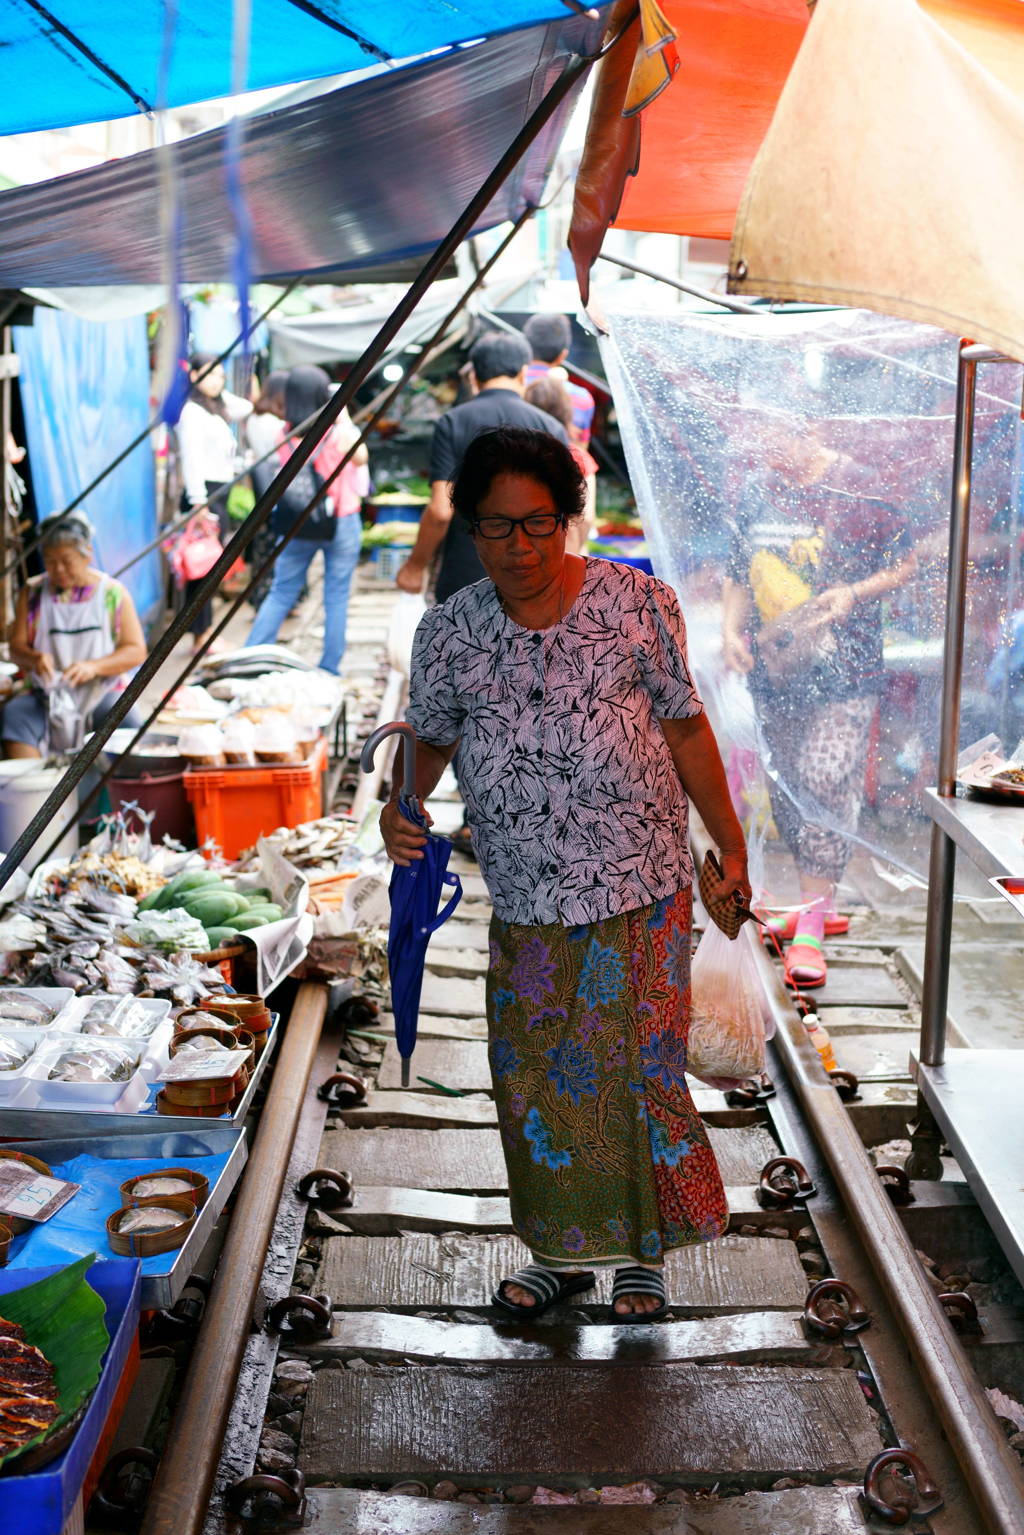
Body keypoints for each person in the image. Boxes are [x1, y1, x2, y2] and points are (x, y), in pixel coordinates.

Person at [382, 427, 748, 1321]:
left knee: (637, 1071)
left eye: (538, 524)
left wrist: (730, 846)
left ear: (569, 518)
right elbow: (428, 737)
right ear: (471, 529)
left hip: (643, 888)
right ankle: (560, 1252)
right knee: (539, 1078)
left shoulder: (636, 603)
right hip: (529, 896)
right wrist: (403, 805)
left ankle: (641, 1258)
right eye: (497, 528)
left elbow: (688, 727)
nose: (519, 547)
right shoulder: (451, 634)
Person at [721, 423, 917, 987]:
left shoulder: (860, 487)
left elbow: (906, 565)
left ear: (804, 432)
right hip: (774, 669)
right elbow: (740, 571)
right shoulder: (760, 489)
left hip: (847, 670)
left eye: (770, 440)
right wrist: (732, 632)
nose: (763, 452)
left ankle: (809, 926)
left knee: (826, 776)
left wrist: (853, 593)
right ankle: (815, 906)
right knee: (786, 786)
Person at [395, 331, 569, 604]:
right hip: (534, 575)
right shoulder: (551, 427)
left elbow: (441, 511)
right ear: (524, 373)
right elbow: (564, 513)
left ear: (474, 376)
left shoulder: (452, 423)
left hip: (466, 574)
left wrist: (415, 566)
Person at [246, 366, 368, 674]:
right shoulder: (339, 434)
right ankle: (329, 668)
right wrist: (343, 417)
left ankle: (252, 658)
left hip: (298, 522)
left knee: (282, 590)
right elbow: (362, 456)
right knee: (337, 594)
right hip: (341, 519)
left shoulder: (282, 433)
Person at [4, 512, 147, 758]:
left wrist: (94, 667)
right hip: (45, 696)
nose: (58, 570)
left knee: (126, 719)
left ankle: (114, 792)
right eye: (50, 561)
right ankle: (37, 791)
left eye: (67, 560)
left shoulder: (113, 594)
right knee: (15, 717)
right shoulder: (33, 593)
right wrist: (35, 659)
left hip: (100, 692)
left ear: (87, 553)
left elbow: (135, 650)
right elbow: (16, 649)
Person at [175, 354, 252, 648]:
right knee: (201, 569)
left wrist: (217, 387)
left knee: (209, 566)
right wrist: (199, 503)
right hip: (203, 495)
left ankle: (204, 633)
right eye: (209, 375)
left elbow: (245, 406)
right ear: (193, 376)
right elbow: (191, 460)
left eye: (221, 375)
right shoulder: (191, 413)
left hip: (217, 492)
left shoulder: (216, 408)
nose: (217, 381)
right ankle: (200, 635)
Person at [523, 375, 597, 554]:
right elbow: (586, 518)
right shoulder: (577, 457)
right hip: (563, 555)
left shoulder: (517, 454)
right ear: (566, 411)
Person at [523, 312, 596, 446]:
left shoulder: (511, 389)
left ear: (525, 347)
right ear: (562, 356)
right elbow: (580, 453)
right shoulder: (582, 398)